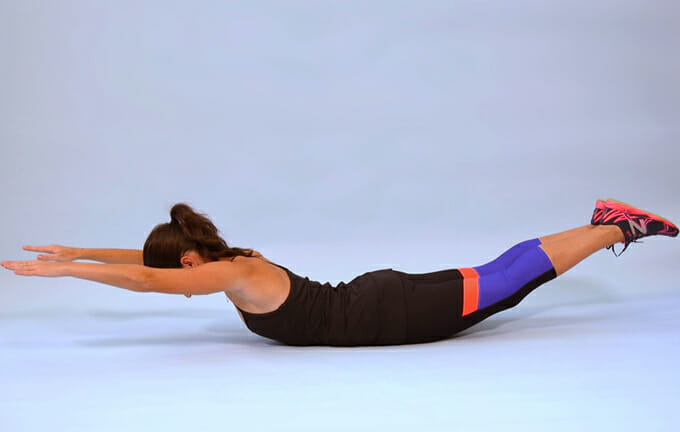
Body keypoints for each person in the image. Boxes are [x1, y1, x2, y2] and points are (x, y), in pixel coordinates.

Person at [2, 199, 677, 346]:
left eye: (179, 274)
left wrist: (67, 275)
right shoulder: (230, 259)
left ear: (189, 262)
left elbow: (150, 279)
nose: (178, 284)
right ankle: (605, 221)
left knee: (508, 281)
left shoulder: (228, 275)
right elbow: (149, 265)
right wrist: (77, 251)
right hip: (381, 296)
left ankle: (617, 228)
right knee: (500, 271)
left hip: (392, 313)